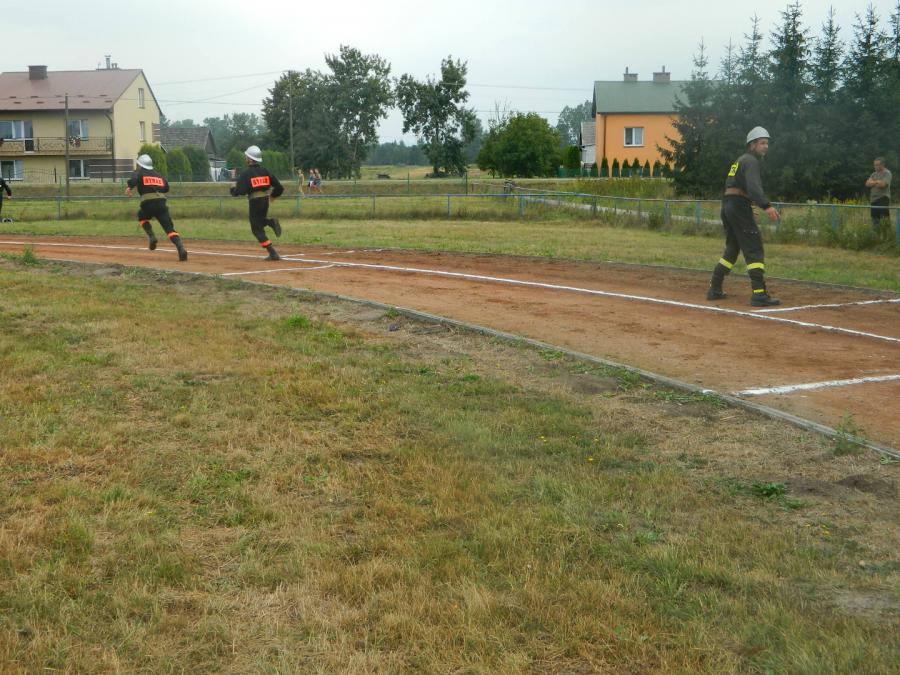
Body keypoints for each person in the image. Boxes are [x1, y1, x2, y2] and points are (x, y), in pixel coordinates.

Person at [707, 126, 781, 307]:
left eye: (767, 143)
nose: (766, 146)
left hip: (729, 205)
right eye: (762, 143)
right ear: (752, 145)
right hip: (738, 206)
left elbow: (734, 187)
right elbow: (754, 188)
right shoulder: (751, 161)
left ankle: (715, 288)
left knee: (732, 249)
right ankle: (759, 294)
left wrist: (748, 205)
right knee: (754, 247)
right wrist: (766, 206)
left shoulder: (740, 160)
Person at [125, 154, 188, 261]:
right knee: (169, 229)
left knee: (141, 216)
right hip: (161, 204)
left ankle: (151, 236)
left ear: (140, 164)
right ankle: (181, 248)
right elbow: (166, 188)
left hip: (148, 204)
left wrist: (129, 187)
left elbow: (134, 179)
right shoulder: (158, 175)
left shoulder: (139, 172)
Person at [230, 145, 284, 260]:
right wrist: (273, 195)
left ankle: (273, 253)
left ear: (250, 159)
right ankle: (270, 223)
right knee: (259, 222)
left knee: (256, 228)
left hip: (254, 201)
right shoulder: (266, 171)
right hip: (265, 200)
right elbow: (279, 187)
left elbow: (240, 191)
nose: (245, 158)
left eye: (246, 156)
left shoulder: (246, 174)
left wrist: (233, 189)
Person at [865, 157, 891, 239]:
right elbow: (867, 184)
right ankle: (876, 238)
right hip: (873, 199)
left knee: (884, 219)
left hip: (883, 198)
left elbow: (883, 185)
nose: (875, 166)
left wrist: (873, 182)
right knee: (875, 219)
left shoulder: (887, 173)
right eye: (874, 165)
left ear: (882, 165)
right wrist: (877, 182)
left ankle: (886, 238)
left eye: (877, 165)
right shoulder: (873, 174)